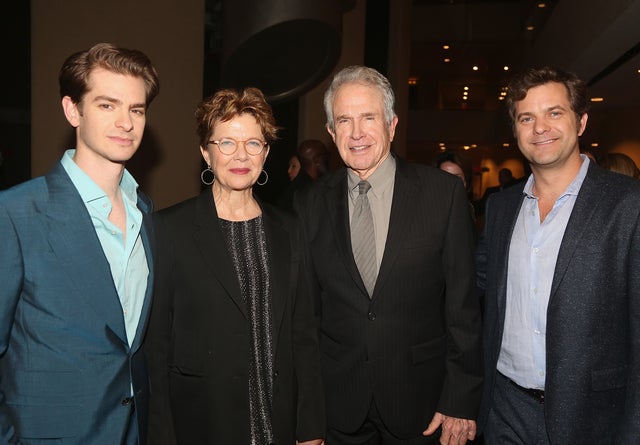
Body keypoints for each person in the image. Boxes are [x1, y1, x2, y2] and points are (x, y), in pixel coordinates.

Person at [295, 65, 482, 445]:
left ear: (392, 125)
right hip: (339, 408)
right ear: (331, 133)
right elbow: (305, 318)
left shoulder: (442, 195)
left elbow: (463, 307)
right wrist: (308, 416)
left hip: (422, 404)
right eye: (344, 120)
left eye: (369, 117)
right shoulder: (307, 204)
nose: (357, 133)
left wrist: (460, 399)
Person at [145, 87, 325, 445]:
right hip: (202, 424)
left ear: (266, 152)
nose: (240, 155)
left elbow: (303, 334)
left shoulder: (289, 228)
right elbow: (156, 348)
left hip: (279, 423)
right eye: (226, 142)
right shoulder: (168, 229)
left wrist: (311, 428)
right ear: (205, 152)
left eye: (253, 143)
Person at [0, 42, 159, 444]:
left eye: (136, 109)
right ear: (73, 110)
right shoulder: (15, 213)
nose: (125, 122)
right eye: (108, 105)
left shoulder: (145, 211)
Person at [476, 66, 640, 444]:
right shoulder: (501, 209)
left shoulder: (628, 205)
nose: (540, 128)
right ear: (515, 130)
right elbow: (470, 285)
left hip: (594, 419)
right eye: (526, 118)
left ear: (581, 122)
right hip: (505, 410)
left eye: (554, 113)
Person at [434, 150, 476, 222]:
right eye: (444, 178)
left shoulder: (469, 209)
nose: (451, 184)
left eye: (456, 178)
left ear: (466, 182)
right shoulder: (429, 210)